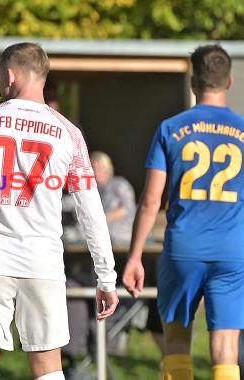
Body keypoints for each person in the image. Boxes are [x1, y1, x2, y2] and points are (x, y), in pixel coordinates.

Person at [0, 42, 119, 380]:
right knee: (48, 370)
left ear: (12, 74)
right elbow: (90, 208)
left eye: (0, 72)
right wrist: (106, 276)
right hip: (42, 261)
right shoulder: (69, 133)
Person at [123, 44, 244, 380]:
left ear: (194, 82)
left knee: (176, 342)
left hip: (184, 248)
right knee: (226, 347)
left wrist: (134, 257)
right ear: (230, 82)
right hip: (233, 250)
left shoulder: (170, 129)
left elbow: (150, 201)